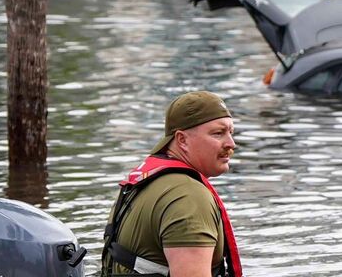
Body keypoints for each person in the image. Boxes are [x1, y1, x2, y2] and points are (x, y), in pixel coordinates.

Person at [101, 91, 242, 277]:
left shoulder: (146, 182)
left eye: (230, 133)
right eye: (218, 133)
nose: (231, 143)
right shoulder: (188, 197)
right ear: (182, 140)